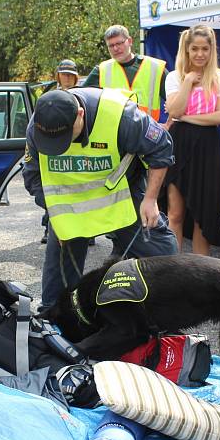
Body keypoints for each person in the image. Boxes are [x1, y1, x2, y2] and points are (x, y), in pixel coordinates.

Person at [23, 87, 178, 309]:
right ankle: (54, 322)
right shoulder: (40, 126)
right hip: (70, 207)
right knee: (58, 283)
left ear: (80, 114)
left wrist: (151, 199)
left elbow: (161, 148)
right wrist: (55, 215)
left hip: (121, 194)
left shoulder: (123, 116)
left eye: (66, 136)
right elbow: (32, 177)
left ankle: (169, 309)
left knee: (160, 252)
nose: (60, 144)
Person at [164, 24, 220, 254]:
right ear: (186, 50)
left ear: (212, 50)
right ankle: (173, 268)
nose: (200, 54)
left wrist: (184, 116)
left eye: (205, 49)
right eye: (195, 49)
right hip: (178, 146)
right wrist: (187, 82)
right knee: (175, 213)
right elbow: (174, 110)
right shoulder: (174, 77)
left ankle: (200, 275)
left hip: (207, 148)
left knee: (202, 217)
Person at [83, 25, 167, 121]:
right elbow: (81, 97)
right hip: (115, 132)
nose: (115, 48)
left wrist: (169, 124)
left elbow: (177, 97)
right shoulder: (101, 70)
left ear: (130, 41)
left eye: (119, 43)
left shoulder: (155, 67)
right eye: (111, 45)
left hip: (147, 131)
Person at [40, 59, 82, 245]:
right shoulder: (50, 96)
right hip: (56, 149)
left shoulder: (82, 95)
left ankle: (84, 233)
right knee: (55, 191)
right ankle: (51, 229)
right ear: (58, 75)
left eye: (70, 74)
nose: (66, 77)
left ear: (76, 77)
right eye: (63, 73)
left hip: (77, 149)